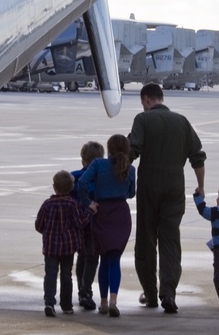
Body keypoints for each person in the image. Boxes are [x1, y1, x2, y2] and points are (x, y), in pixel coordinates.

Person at [128, 82, 206, 314]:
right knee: (170, 239)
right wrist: (201, 187)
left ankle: (151, 294)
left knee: (146, 239)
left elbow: (132, 150)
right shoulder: (181, 121)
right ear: (161, 98)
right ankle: (168, 292)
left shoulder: (143, 119)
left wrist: (114, 173)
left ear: (146, 99)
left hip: (149, 185)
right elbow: (197, 157)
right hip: (175, 185)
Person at [77, 134, 136, 317]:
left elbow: (82, 182)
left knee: (103, 258)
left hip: (101, 212)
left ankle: (103, 302)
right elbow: (131, 193)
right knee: (115, 259)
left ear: (109, 149)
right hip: (120, 213)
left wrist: (88, 203)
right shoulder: (130, 169)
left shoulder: (98, 164)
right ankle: (113, 301)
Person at [35, 170, 92, 317]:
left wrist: (47, 233)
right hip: (68, 247)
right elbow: (80, 222)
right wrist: (90, 211)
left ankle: (49, 302)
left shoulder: (47, 204)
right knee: (66, 275)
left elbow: (39, 225)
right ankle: (66, 305)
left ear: (54, 187)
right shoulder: (72, 204)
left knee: (50, 274)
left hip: (51, 247)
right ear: (71, 188)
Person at [70, 140, 105, 311]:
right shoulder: (101, 179)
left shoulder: (74, 177)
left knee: (82, 256)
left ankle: (81, 289)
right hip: (94, 222)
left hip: (77, 223)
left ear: (83, 160)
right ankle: (86, 290)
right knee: (92, 257)